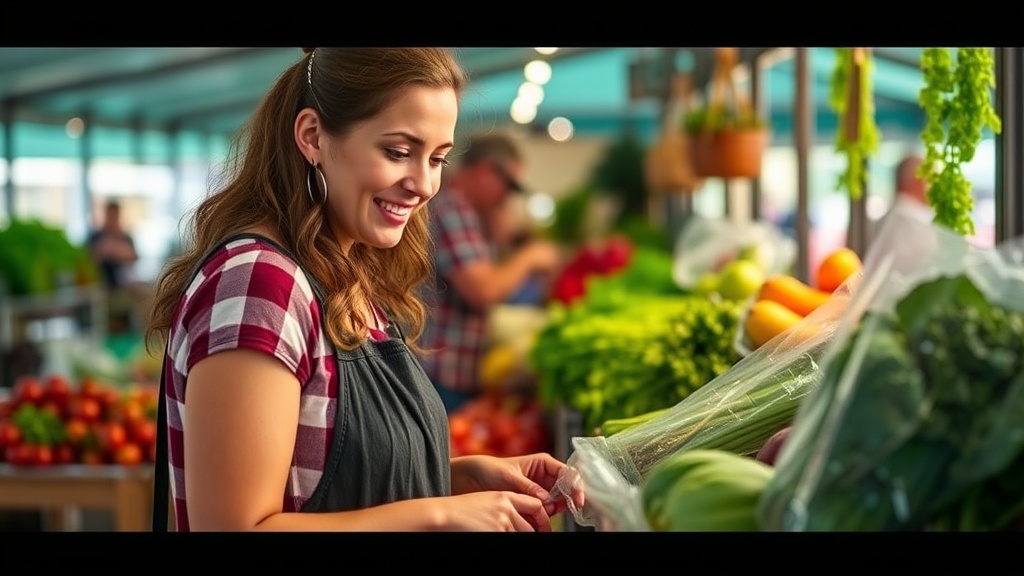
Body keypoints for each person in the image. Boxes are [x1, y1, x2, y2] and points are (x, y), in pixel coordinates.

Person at [145, 48, 581, 532]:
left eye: (437, 158)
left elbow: (323, 487)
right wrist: (438, 513)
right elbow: (235, 527)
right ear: (312, 137)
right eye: (398, 152)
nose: (424, 184)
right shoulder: (261, 282)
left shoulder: (342, 274)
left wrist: (455, 480)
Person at [417, 132, 563, 414]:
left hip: (451, 373)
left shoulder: (469, 214)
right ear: (485, 171)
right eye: (508, 186)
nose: (507, 197)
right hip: (442, 376)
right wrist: (530, 257)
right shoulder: (451, 209)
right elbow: (483, 291)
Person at [88, 199, 138, 291]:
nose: (113, 218)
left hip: (124, 286)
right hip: (102, 283)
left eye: (115, 215)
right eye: (110, 215)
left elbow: (134, 258)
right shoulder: (96, 237)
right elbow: (90, 258)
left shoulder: (125, 237)